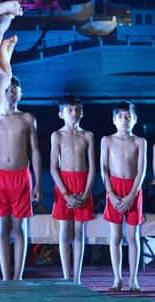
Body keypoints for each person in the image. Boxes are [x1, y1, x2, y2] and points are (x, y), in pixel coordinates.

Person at [0, 76, 43, 281]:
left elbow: (35, 151)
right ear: (2, 92)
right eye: (8, 89)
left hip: (21, 177)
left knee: (20, 228)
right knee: (2, 228)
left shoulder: (27, 119)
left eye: (15, 90)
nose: (11, 93)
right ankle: (6, 276)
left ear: (20, 94)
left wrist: (38, 183)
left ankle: (18, 276)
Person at [100, 101, 147, 293]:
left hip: (133, 189)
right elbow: (104, 169)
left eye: (128, 116)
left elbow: (141, 170)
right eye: (120, 116)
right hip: (114, 188)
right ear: (114, 120)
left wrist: (131, 195)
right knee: (116, 236)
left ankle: (133, 280)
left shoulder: (140, 142)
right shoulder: (107, 140)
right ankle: (117, 279)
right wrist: (110, 194)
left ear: (134, 119)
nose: (124, 120)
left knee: (132, 236)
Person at [50, 95, 95, 285]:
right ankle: (66, 275)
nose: (74, 113)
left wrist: (85, 194)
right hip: (64, 185)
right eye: (69, 110)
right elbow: (53, 167)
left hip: (83, 183)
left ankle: (77, 277)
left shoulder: (88, 135)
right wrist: (66, 194)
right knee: (65, 232)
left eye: (77, 110)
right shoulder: (57, 135)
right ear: (61, 114)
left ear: (82, 112)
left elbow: (93, 167)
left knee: (79, 233)